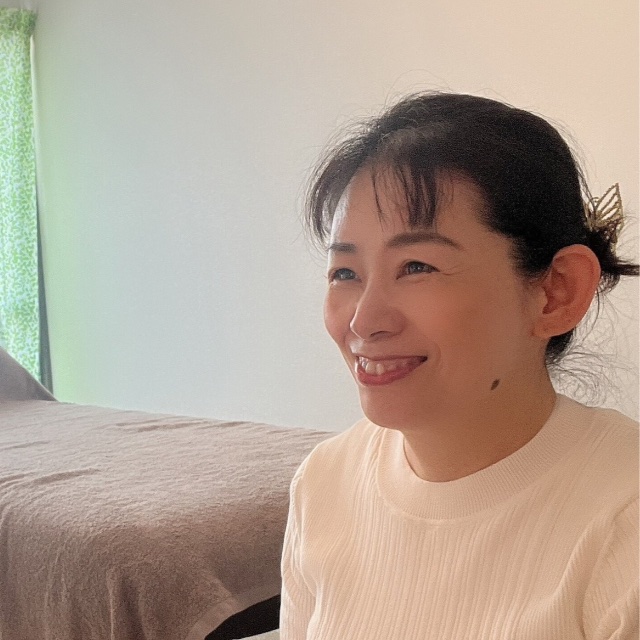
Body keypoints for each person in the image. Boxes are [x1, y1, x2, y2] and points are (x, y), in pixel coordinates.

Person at [279, 92, 639, 640]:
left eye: (416, 266)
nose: (364, 321)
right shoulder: (324, 484)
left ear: (556, 292)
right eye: (345, 273)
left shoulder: (622, 518)